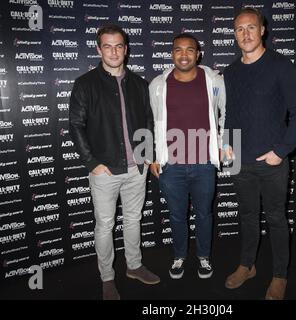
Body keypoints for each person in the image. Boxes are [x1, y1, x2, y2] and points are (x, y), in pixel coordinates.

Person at [223, 7, 296, 299]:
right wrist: (227, 143)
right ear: (234, 35)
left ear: (262, 30)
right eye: (239, 29)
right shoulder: (232, 72)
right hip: (239, 162)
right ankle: (247, 265)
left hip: (272, 163)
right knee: (247, 216)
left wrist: (281, 151)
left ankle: (280, 275)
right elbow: (230, 114)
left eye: (251, 27)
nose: (245, 34)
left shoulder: (281, 66)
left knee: (275, 219)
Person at [69, 24, 160, 300]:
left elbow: (147, 121)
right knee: (105, 225)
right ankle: (107, 277)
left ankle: (134, 266)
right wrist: (92, 163)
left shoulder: (139, 84)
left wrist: (146, 156)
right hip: (104, 170)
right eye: (107, 46)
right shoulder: (85, 84)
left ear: (126, 49)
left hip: (136, 169)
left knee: (133, 219)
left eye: (118, 45)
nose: (113, 51)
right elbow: (75, 125)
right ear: (98, 49)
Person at [149, 33, 225, 280]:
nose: (184, 55)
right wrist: (153, 156)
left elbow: (225, 114)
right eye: (178, 50)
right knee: (176, 216)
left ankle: (204, 257)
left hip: (204, 164)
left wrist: (224, 145)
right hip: (171, 166)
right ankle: (179, 255)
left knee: (204, 214)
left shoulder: (213, 80)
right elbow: (151, 123)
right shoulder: (158, 85)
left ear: (198, 54)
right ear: (172, 54)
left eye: (189, 50)